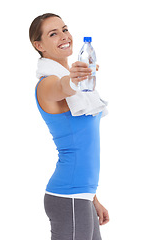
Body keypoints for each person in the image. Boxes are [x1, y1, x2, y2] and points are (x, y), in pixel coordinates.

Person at [29, 13, 109, 240]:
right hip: (68, 197)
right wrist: (73, 79)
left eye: (64, 29)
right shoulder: (47, 83)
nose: (64, 36)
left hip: (80, 197)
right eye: (53, 34)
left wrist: (93, 198)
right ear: (39, 45)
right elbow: (62, 87)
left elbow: (84, 149)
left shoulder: (80, 89)